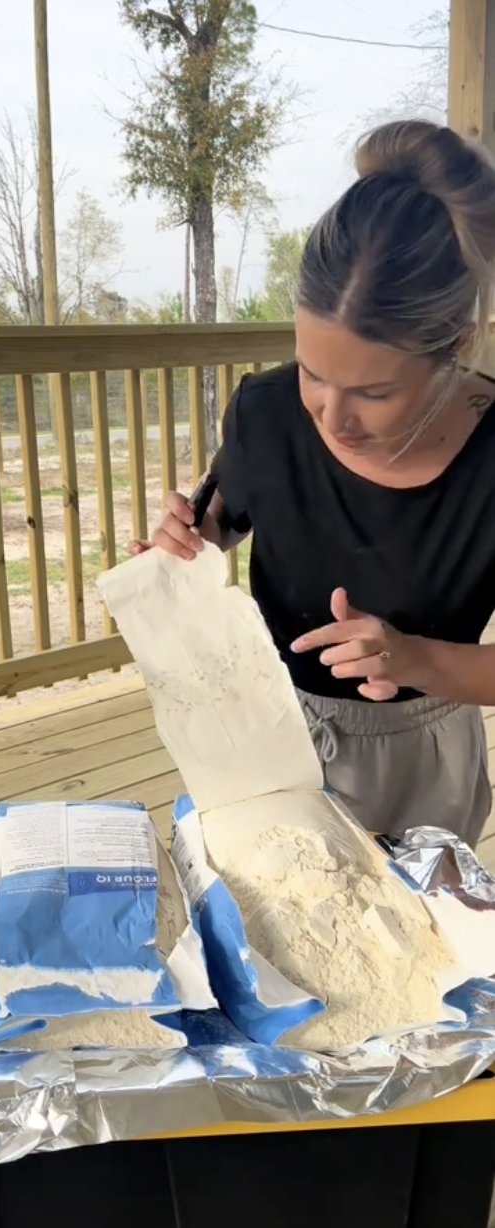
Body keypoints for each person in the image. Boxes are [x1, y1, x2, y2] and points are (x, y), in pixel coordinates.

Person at [132, 120, 495, 845]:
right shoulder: (267, 410)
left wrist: (414, 658)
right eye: (313, 373)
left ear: (456, 343)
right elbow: (227, 513)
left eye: (374, 392)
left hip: (419, 759)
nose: (333, 416)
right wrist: (191, 536)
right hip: (267, 735)